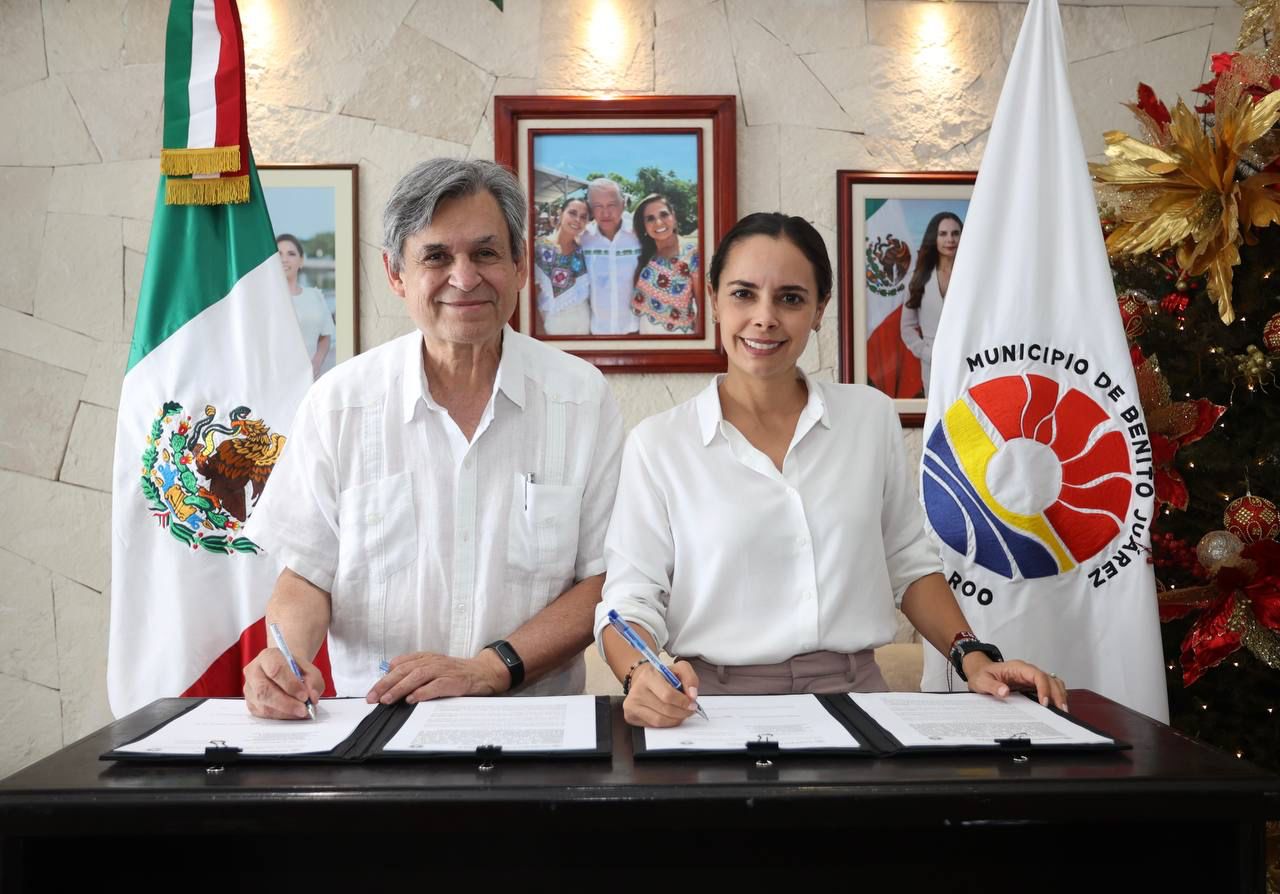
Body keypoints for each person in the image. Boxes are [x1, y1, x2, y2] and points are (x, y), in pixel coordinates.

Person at [596, 212, 1066, 728]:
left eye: (791, 298)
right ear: (712, 300)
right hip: (714, 711)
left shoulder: (869, 417)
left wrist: (975, 657)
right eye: (743, 294)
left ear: (820, 310)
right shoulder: (659, 445)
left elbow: (908, 562)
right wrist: (639, 672)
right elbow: (628, 602)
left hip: (859, 701)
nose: (764, 317)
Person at [243, 158, 625, 719]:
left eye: (486, 254)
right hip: (377, 727)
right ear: (396, 273)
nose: (464, 278)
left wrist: (489, 669)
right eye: (437, 257)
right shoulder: (339, 404)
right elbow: (306, 573)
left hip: (535, 728)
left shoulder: (581, 399)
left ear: (520, 265)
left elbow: (603, 579)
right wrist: (287, 658)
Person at [900, 212, 962, 397]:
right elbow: (906, 327)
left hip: (967, 363)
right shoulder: (918, 278)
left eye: (955, 233)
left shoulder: (972, 277)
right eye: (943, 234)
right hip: (931, 365)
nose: (950, 239)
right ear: (934, 237)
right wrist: (927, 353)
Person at [629, 193, 701, 335]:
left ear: (673, 217)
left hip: (679, 339)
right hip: (645, 334)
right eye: (650, 218)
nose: (658, 222)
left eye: (664, 215)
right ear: (644, 226)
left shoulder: (692, 253)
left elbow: (704, 308)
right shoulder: (647, 254)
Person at [580, 177, 641, 335]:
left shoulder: (640, 234)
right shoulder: (583, 239)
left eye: (612, 205)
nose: (605, 213)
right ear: (590, 208)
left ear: (623, 204)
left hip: (635, 330)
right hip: (597, 332)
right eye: (597, 206)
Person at [277, 233, 336, 379]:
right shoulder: (266, 299)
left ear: (301, 261)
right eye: (279, 254)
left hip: (309, 380)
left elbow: (325, 336)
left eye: (291, 254)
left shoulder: (315, 296)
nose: (284, 259)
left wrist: (316, 363)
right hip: (277, 379)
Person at [532, 196, 592, 335]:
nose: (577, 220)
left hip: (584, 325)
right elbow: (530, 300)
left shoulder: (582, 251)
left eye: (583, 217)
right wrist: (539, 333)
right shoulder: (540, 249)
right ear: (560, 213)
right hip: (553, 326)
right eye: (572, 213)